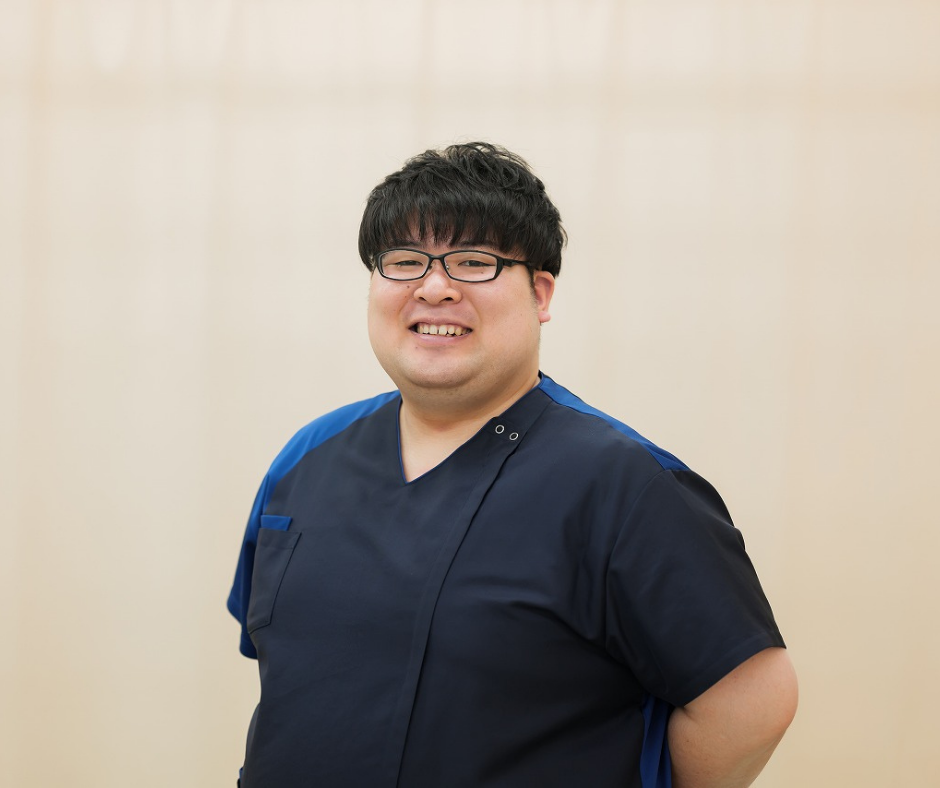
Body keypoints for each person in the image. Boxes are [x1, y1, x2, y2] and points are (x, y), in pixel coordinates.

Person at [227, 142, 797, 788]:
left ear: (540, 294)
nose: (434, 287)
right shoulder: (307, 458)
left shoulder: (622, 484)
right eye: (405, 261)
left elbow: (754, 701)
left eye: (474, 262)